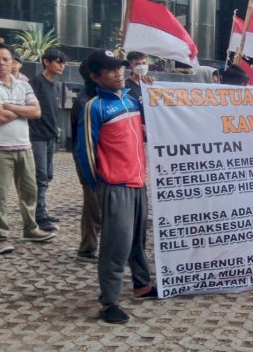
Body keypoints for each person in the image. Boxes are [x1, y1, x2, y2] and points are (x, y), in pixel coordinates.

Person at [76, 49, 156, 324]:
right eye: (111, 70)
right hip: (114, 186)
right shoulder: (94, 106)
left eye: (120, 67)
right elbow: (85, 151)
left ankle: (142, 285)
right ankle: (108, 302)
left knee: (137, 239)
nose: (119, 72)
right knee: (115, 246)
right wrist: (95, 188)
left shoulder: (131, 99)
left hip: (137, 181)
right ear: (95, 76)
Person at [0, 43, 56, 254]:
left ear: (13, 61)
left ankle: (31, 229)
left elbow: (36, 112)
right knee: (0, 195)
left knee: (29, 191)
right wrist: (21, 109)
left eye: (6, 59)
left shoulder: (23, 84)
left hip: (24, 146)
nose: (1, 63)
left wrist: (8, 106)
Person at [28, 48, 67, 232]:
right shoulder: (36, 82)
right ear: (46, 62)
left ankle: (41, 209)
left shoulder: (56, 85)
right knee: (40, 176)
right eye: (58, 61)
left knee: (48, 175)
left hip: (51, 136)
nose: (61, 65)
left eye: (63, 62)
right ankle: (39, 216)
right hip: (37, 137)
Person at [72, 60, 101, 263]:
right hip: (89, 161)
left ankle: (87, 248)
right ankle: (90, 249)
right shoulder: (85, 102)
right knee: (96, 206)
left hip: (103, 161)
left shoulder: (100, 96)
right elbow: (86, 142)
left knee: (92, 207)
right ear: (94, 76)